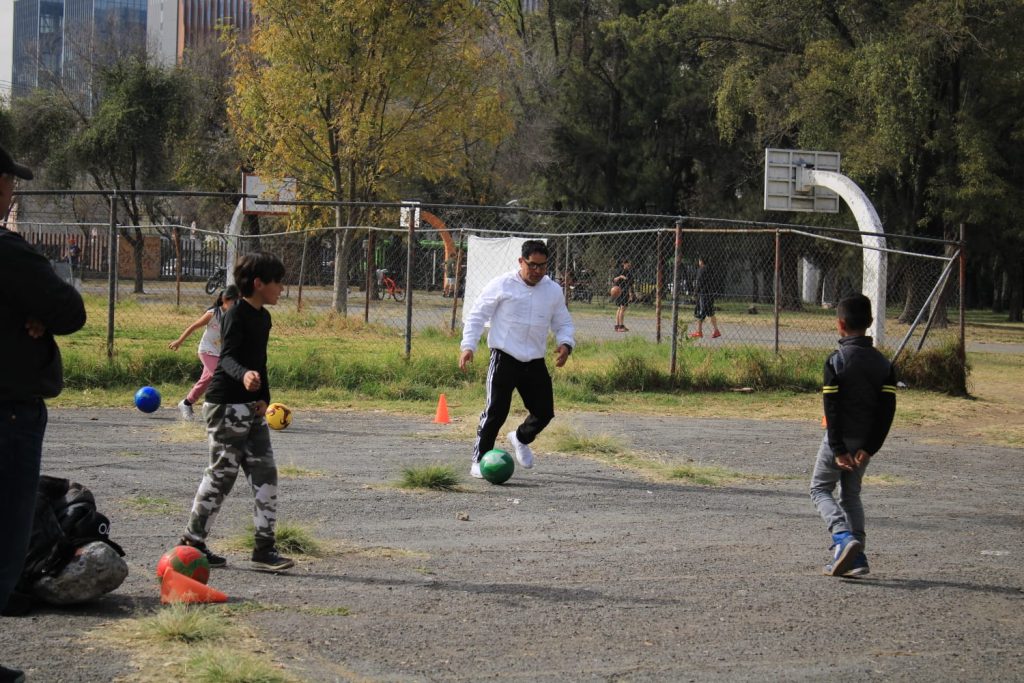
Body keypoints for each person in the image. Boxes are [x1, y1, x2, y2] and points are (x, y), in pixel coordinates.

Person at [1, 144, 87, 683]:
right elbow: (70, 309)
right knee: (7, 538)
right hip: (7, 412)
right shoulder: (7, 252)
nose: (13, 191)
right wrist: (37, 310)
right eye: (10, 181)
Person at [178, 252, 294, 572]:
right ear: (258, 283)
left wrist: (265, 397)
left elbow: (261, 362)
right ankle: (191, 543)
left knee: (265, 471)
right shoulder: (235, 315)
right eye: (277, 282)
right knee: (221, 476)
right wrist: (243, 375)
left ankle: (264, 549)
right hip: (226, 404)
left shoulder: (264, 318)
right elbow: (227, 359)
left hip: (251, 407)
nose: (282, 288)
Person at [459, 240, 575, 478]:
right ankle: (479, 460)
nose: (538, 271)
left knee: (544, 412)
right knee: (496, 411)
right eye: (533, 265)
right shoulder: (502, 284)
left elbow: (562, 321)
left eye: (543, 266)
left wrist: (565, 343)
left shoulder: (552, 290)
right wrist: (468, 346)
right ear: (521, 261)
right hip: (504, 357)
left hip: (534, 360)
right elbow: (477, 315)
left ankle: (520, 437)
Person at [810, 294, 897, 577]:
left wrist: (837, 448)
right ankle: (857, 558)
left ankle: (842, 537)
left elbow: (831, 409)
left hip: (840, 440)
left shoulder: (836, 362)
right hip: (865, 442)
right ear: (870, 323)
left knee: (820, 489)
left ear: (840, 325)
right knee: (851, 495)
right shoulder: (885, 366)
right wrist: (870, 448)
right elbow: (887, 413)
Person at [168, 285, 240, 421]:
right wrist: (179, 341)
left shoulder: (235, 316)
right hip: (207, 351)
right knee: (219, 376)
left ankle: (186, 403)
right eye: (233, 301)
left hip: (221, 353)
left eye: (238, 301)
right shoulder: (213, 313)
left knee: (206, 379)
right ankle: (216, 407)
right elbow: (193, 326)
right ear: (224, 299)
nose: (236, 304)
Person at [690, 256, 722, 339]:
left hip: (703, 294)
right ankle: (716, 331)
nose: (698, 262)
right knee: (711, 312)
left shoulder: (701, 269)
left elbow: (699, 282)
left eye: (699, 261)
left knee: (700, 313)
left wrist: (695, 293)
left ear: (701, 261)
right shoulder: (711, 270)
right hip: (710, 294)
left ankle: (699, 332)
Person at [612, 258, 634, 332]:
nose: (629, 265)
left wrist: (630, 294)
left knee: (620, 308)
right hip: (619, 291)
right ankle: (620, 326)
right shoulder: (619, 271)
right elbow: (614, 279)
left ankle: (618, 326)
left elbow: (630, 285)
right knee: (621, 308)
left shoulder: (629, 273)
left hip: (625, 292)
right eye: (628, 263)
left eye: (630, 264)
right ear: (624, 263)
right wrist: (620, 276)